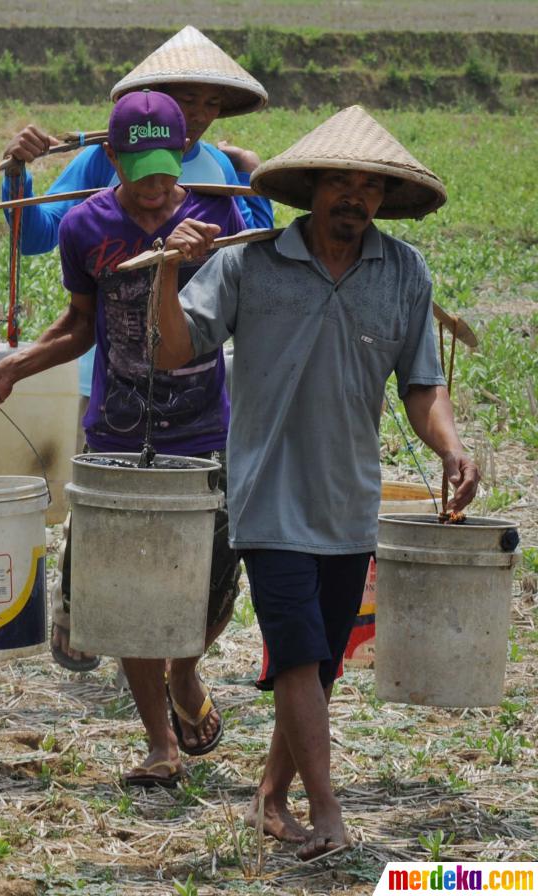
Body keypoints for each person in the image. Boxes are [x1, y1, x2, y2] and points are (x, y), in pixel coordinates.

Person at [153, 105, 480, 858]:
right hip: (266, 498)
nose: (354, 198)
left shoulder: (403, 273)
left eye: (369, 187)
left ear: (383, 200)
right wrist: (170, 270)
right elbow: (175, 350)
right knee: (297, 655)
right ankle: (326, 811)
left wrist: (452, 449)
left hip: (346, 501)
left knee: (321, 665)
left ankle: (271, 795)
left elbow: (422, 386)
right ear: (312, 188)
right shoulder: (250, 262)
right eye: (340, 181)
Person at [0, 90, 247, 783]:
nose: (155, 190)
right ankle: (160, 744)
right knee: (127, 587)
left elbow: (242, 314)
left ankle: (185, 668)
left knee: (212, 586)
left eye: (167, 169)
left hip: (203, 425)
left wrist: (192, 259)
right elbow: (81, 325)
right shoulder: (87, 227)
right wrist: (14, 367)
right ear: (110, 157)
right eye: (139, 170)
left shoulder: (216, 213)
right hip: (118, 426)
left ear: (185, 154)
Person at [0, 25, 273, 671]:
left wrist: (259, 181)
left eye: (210, 104)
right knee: (109, 505)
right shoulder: (104, 159)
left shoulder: (221, 174)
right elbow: (39, 234)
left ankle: (168, 648)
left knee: (193, 526)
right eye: (186, 100)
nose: (199, 115)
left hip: (197, 377)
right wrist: (18, 174)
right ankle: (87, 612)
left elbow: (249, 260)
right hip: (110, 369)